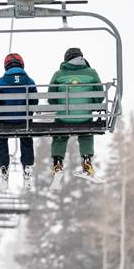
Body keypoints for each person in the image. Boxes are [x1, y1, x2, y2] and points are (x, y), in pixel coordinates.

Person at [48, 47, 104, 177]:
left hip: (64, 117)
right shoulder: (91, 73)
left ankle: (58, 163)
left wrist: (60, 108)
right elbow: (99, 96)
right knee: (86, 132)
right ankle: (87, 162)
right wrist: (91, 104)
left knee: (59, 135)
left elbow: (51, 98)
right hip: (84, 116)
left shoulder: (58, 74)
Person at [0, 53, 38, 189]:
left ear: (6, 66)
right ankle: (27, 167)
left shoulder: (1, 81)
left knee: (1, 138)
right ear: (21, 64)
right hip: (24, 120)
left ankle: (4, 168)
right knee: (26, 137)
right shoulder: (29, 81)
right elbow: (34, 101)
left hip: (5, 121)